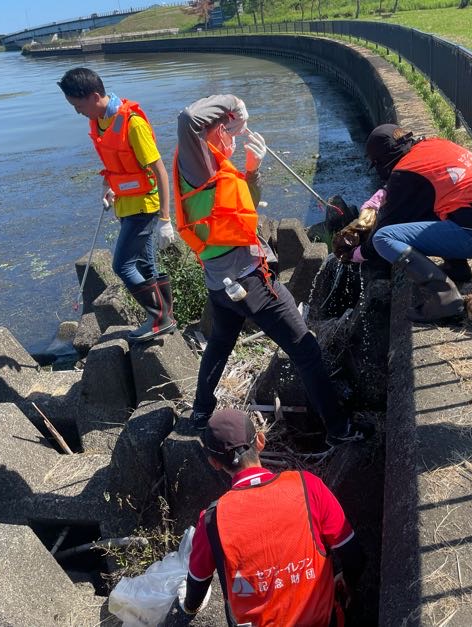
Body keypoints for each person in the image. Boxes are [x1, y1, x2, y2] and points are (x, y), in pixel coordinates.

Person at [174, 94, 373, 446]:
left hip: (222, 284)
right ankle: (340, 430)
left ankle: (201, 412)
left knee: (219, 344)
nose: (233, 135)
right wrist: (235, 103)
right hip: (249, 281)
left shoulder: (214, 167)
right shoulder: (197, 161)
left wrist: (252, 168)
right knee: (306, 350)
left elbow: (239, 211)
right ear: (212, 131)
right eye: (227, 130)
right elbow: (188, 117)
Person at [180, 408, 365, 626]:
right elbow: (354, 556)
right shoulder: (308, 486)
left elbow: (197, 584)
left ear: (214, 463)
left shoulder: (212, 519)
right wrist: (347, 581)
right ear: (260, 440)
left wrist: (190, 607)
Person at [345, 124, 472, 324]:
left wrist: (357, 254)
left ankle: (444, 297)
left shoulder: (404, 172)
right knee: (436, 207)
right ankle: (457, 269)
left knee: (383, 238)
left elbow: (388, 223)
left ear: (382, 160)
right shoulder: (433, 146)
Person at [58, 67, 176, 342]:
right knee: (148, 266)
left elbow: (160, 171)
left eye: (79, 106)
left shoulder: (132, 123)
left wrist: (166, 219)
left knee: (122, 265)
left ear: (95, 96)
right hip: (126, 204)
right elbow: (114, 164)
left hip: (145, 206)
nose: (78, 112)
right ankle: (166, 318)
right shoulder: (99, 122)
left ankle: (159, 318)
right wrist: (107, 187)